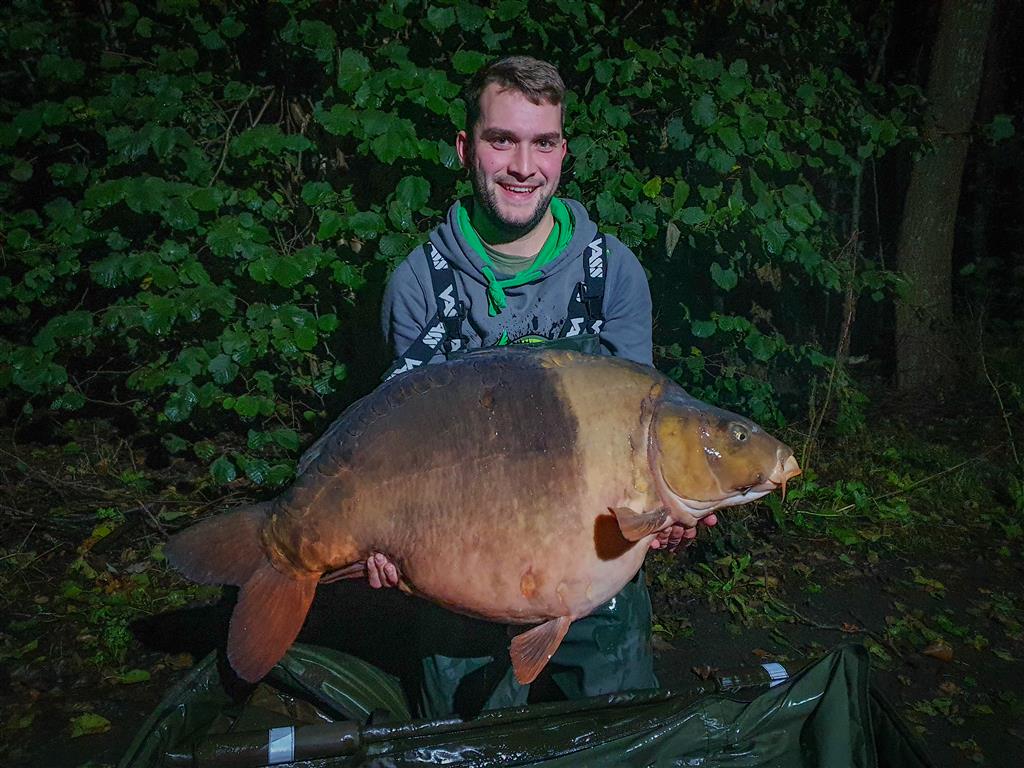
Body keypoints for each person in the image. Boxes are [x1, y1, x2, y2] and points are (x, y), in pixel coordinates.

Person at [369, 55, 715, 718]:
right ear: (466, 149)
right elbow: (397, 448)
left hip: (594, 566)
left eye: (543, 143)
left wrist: (667, 511)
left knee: (614, 739)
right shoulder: (420, 282)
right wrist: (385, 543)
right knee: (465, 745)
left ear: (563, 153)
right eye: (502, 140)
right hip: (461, 567)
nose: (524, 166)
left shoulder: (611, 274)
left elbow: (639, 441)